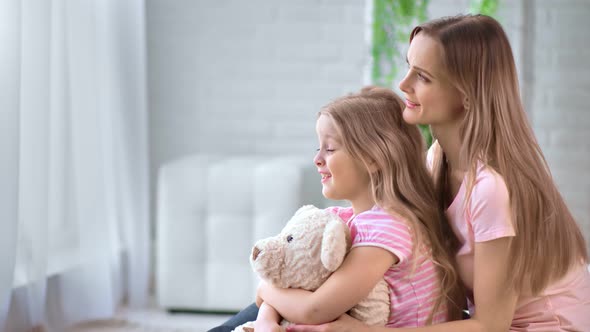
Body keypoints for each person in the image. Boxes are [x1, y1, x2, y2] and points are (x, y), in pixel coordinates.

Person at [287, 14, 590, 332]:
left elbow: (490, 325)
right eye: (408, 67)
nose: (403, 85)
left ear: (467, 94)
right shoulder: (436, 159)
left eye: (423, 77)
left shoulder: (489, 189)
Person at [208, 86, 464, 332]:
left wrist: (264, 291)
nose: (317, 159)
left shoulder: (389, 228)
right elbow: (298, 284)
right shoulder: (348, 220)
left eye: (329, 148)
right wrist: (266, 317)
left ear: (373, 158)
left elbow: (314, 310)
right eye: (318, 147)